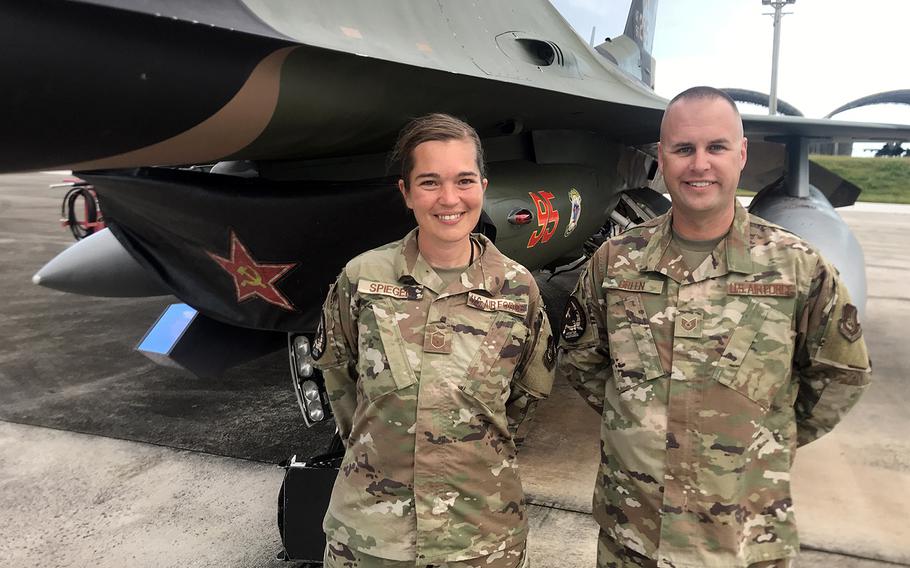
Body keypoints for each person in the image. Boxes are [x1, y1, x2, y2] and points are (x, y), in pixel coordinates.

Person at [558, 86, 871, 568]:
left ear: (741, 154)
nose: (698, 164)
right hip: (635, 535)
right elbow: (583, 360)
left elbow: (840, 374)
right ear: (661, 158)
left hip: (744, 537)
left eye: (716, 147)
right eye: (683, 149)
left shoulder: (795, 267)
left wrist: (763, 434)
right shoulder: (616, 262)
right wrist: (640, 420)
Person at [312, 113, 556, 568]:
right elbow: (340, 379)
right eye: (429, 182)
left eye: (464, 180)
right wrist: (379, 445)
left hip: (481, 537)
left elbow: (527, 393)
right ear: (405, 192)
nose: (449, 199)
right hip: (372, 538)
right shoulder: (363, 278)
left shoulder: (518, 289)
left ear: (483, 185)